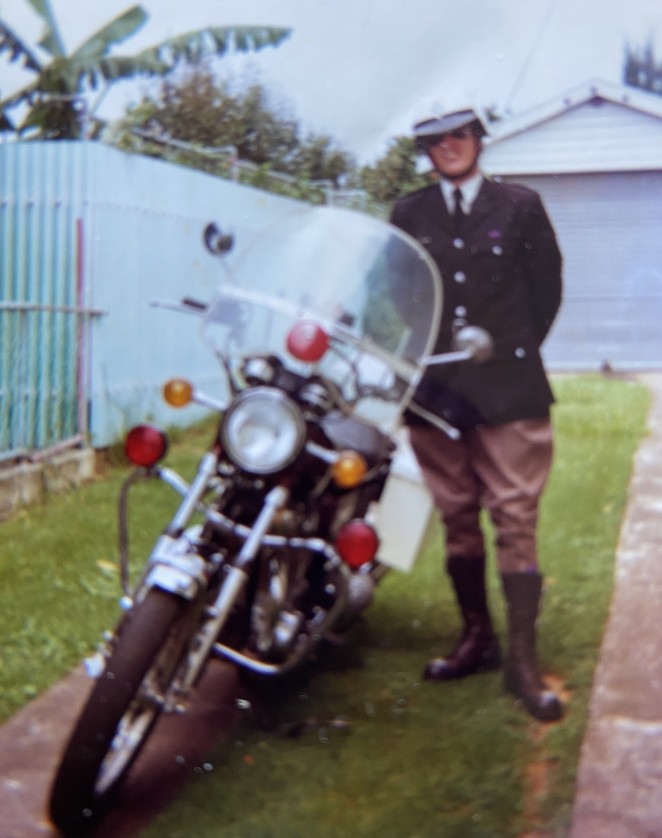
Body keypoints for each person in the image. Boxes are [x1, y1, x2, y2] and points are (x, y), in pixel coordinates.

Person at [389, 106, 564, 721]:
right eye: (435, 140)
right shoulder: (408, 214)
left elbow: (547, 290)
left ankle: (522, 660)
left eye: (459, 134)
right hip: (438, 392)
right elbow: (399, 294)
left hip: (508, 389)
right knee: (457, 516)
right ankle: (476, 639)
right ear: (425, 151)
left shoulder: (520, 206)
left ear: (478, 139)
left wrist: (509, 352)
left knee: (514, 517)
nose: (449, 147)